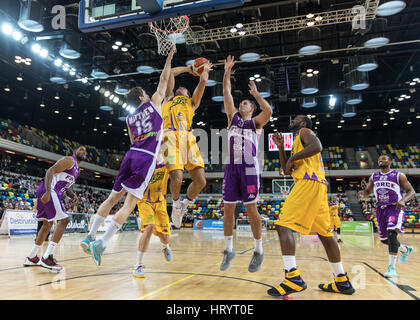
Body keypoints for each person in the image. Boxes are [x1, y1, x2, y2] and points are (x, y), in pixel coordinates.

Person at [82, 48, 174, 265]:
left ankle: (90, 235)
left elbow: (133, 141)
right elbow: (164, 79)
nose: (149, 94)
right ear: (142, 96)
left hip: (130, 155)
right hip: (145, 159)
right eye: (145, 92)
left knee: (113, 198)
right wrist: (169, 59)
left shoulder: (130, 118)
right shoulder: (155, 104)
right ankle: (101, 244)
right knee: (129, 204)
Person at [268, 115, 355, 297]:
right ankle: (341, 280)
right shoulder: (297, 144)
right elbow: (286, 170)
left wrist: (294, 158)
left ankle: (293, 279)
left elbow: (317, 146)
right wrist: (281, 148)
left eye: (296, 119)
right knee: (325, 234)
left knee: (283, 226)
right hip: (317, 187)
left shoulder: (305, 132)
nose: (292, 120)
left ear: (304, 123)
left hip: (309, 182)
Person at [219, 55, 272, 272]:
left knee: (251, 210)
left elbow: (268, 112)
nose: (243, 104)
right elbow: (226, 93)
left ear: (251, 109)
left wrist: (256, 95)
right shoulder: (232, 117)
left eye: (247, 103)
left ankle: (258, 250)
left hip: (249, 168)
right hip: (231, 167)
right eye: (243, 102)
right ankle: (228, 250)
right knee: (228, 210)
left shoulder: (255, 122)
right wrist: (226, 72)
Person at [161, 61, 213, 228]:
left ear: (188, 94)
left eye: (183, 89)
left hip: (188, 139)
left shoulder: (191, 103)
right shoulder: (169, 97)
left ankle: (184, 205)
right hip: (169, 137)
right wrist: (188, 69)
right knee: (176, 177)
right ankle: (175, 205)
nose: (180, 87)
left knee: (201, 181)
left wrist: (204, 72)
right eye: (179, 88)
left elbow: (203, 82)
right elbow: (169, 73)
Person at [24, 146, 86, 271]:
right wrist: (47, 191)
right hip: (50, 190)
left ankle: (32, 257)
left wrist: (73, 195)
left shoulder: (77, 170)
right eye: (81, 149)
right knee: (64, 220)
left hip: (52, 191)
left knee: (46, 225)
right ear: (74, 151)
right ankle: (47, 257)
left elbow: (67, 187)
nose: (83, 152)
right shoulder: (69, 160)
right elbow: (50, 171)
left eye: (85, 151)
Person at [357, 154, 415, 278]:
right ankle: (405, 249)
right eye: (379, 159)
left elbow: (412, 191)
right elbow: (368, 191)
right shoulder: (374, 176)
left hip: (395, 208)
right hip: (380, 209)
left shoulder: (399, 175)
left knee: (391, 233)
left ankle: (391, 268)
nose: (380, 160)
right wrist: (363, 193)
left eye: (383, 159)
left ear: (390, 162)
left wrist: (403, 200)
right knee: (384, 240)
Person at [133, 154, 171, 278]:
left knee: (165, 238)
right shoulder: (144, 159)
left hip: (160, 202)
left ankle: (166, 246)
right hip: (144, 201)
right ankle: (138, 264)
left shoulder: (168, 159)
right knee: (149, 227)